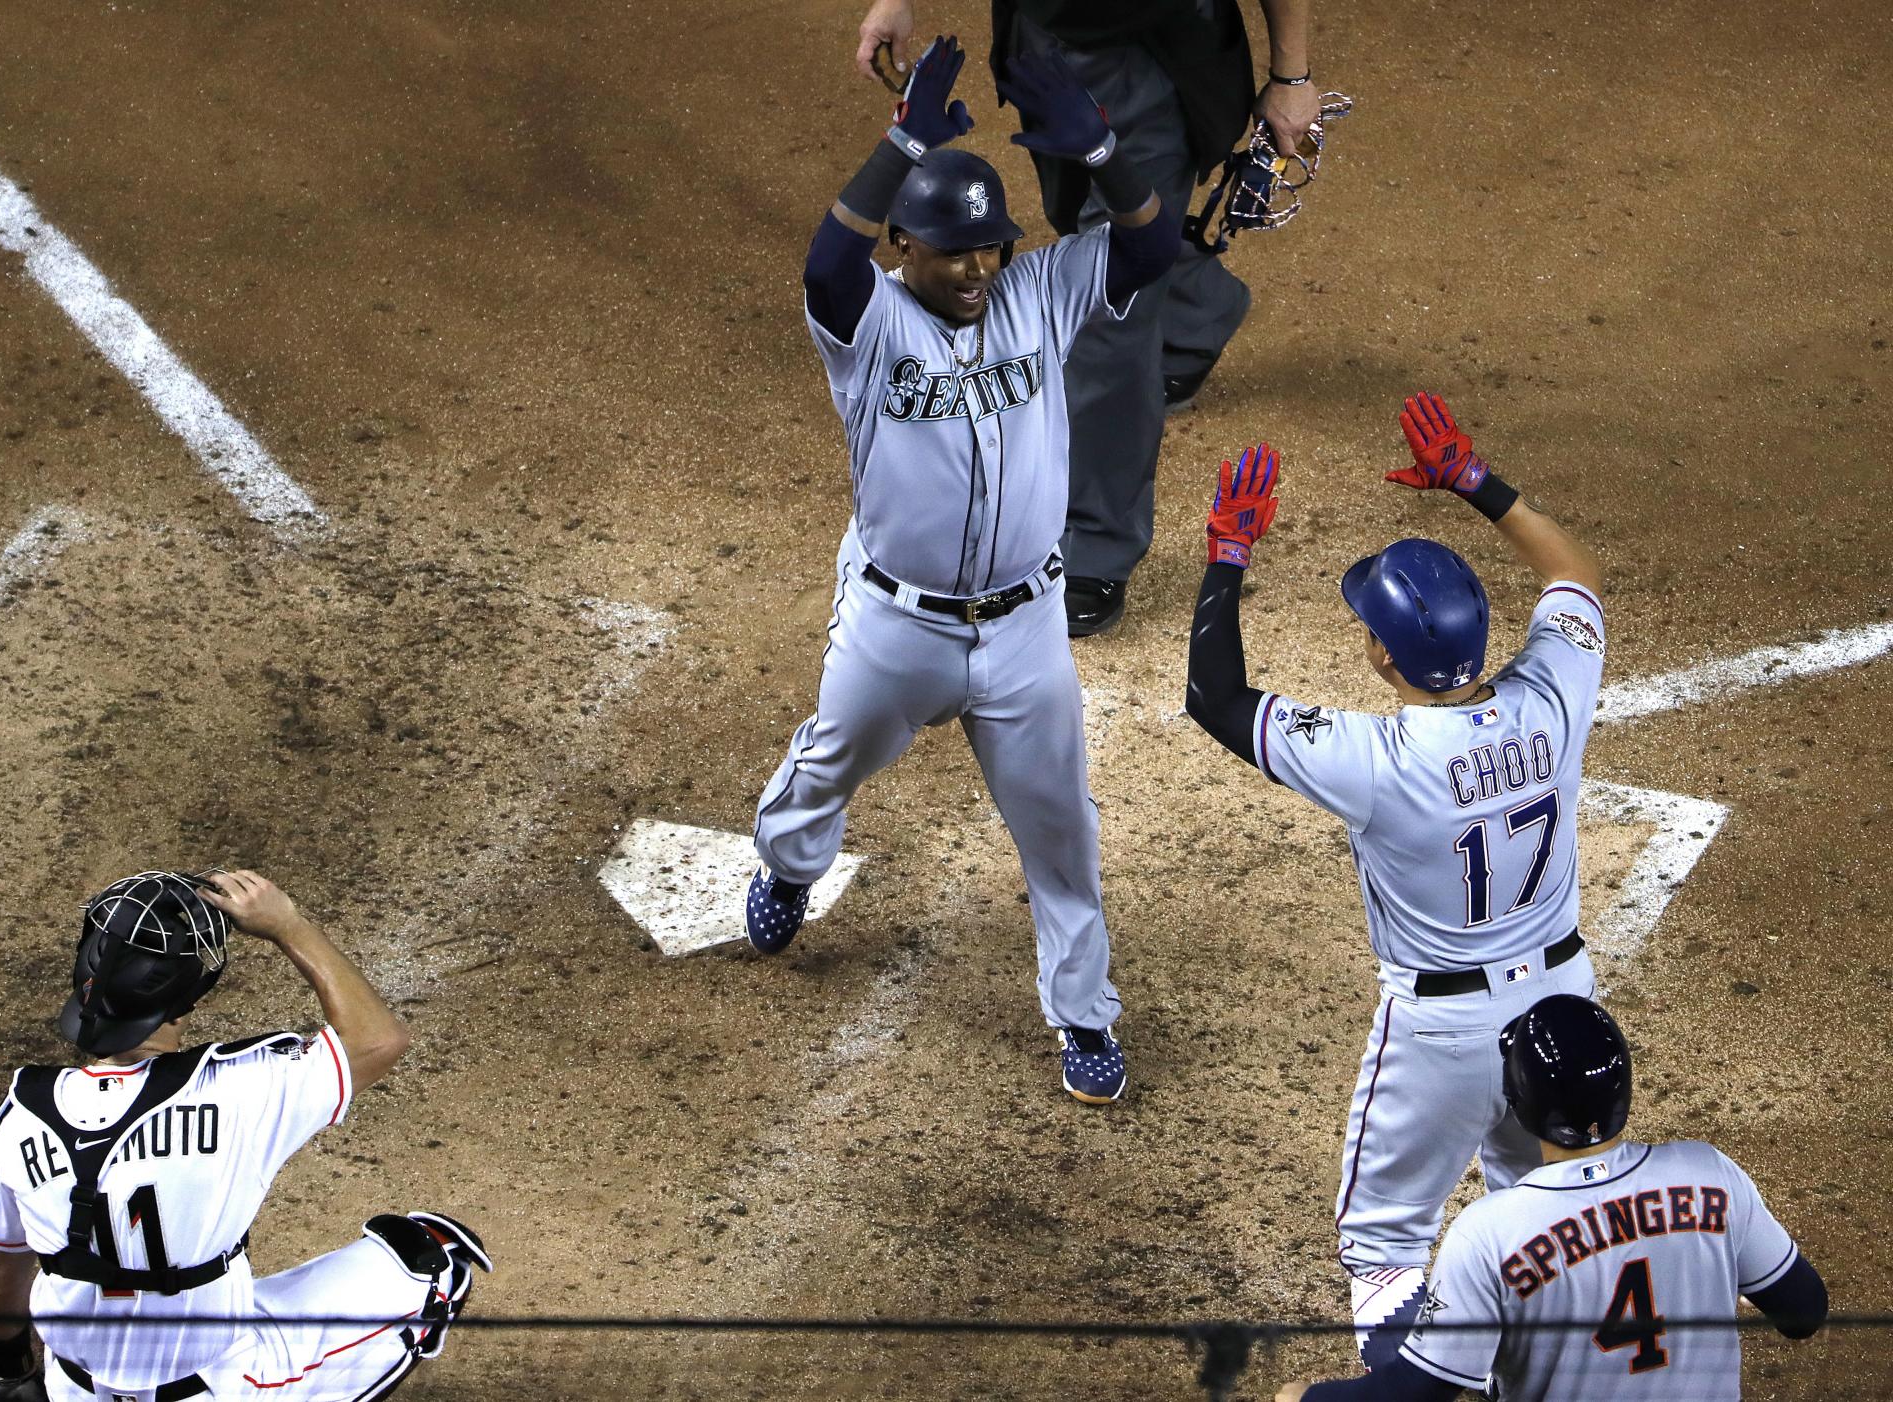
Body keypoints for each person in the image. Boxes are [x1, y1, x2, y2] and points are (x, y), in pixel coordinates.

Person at [744, 36, 1179, 1103]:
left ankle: (1082, 1015)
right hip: (900, 626)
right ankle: (787, 867)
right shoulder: (867, 321)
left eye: (991, 247)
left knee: (1061, 830)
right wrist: (898, 143)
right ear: (905, 248)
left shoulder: (1037, 292)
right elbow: (821, 264)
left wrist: (1107, 154)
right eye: (954, 252)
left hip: (1026, 625)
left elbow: (1150, 244)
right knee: (827, 766)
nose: (979, 268)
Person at [1185, 396, 1614, 1363]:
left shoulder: (1377, 760)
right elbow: (1574, 576)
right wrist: (1473, 482)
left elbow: (1214, 695)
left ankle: (1403, 1389)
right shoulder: (1553, 695)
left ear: (1382, 654)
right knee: (1544, 1215)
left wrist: (1228, 554)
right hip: (1563, 998)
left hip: (1445, 1037)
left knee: (1384, 1250)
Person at [857, 0, 1320, 636]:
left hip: (1155, 51)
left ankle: (1092, 542)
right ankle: (1194, 309)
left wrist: (1291, 76)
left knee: (1110, 312)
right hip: (1043, 31)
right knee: (1096, 226)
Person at [0, 869, 491, 1402]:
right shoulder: (240, 1090)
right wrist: (288, 924)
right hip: (218, 1387)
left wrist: (8, 1377)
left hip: (73, 1389)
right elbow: (380, 1039)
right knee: (433, 1255)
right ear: (192, 990)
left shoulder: (21, 1116)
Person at [1275, 994, 1828, 1400]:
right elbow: (1804, 1311)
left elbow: (1413, 1395)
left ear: (1519, 1107)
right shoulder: (1711, 1177)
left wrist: (1303, 1397)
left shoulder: (1490, 1233)